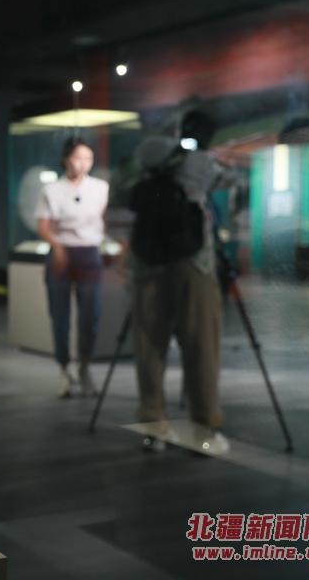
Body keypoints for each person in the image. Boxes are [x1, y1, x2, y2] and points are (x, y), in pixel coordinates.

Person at [126, 109, 239, 454]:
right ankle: (204, 429)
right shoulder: (201, 162)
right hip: (194, 263)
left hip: (147, 264)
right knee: (201, 345)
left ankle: (153, 427)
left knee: (149, 345)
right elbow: (230, 179)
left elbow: (125, 191)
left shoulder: (148, 153)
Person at [35, 137, 109, 397]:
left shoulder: (100, 187)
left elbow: (106, 220)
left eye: (88, 158)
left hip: (89, 253)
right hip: (61, 254)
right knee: (60, 315)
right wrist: (56, 246)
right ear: (66, 159)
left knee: (91, 314)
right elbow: (43, 225)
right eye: (78, 157)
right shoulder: (52, 189)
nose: (83, 163)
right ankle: (64, 369)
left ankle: (85, 367)